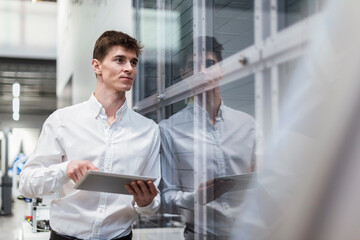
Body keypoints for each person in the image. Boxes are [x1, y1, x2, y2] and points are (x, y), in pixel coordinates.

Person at [19, 30, 160, 240]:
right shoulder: (62, 121)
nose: (129, 68)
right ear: (97, 66)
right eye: (120, 60)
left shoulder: (148, 130)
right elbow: (27, 184)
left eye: (133, 62)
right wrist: (64, 170)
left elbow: (152, 206)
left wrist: (146, 202)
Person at [159, 36, 256, 240]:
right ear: (184, 74)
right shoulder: (169, 130)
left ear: (222, 70)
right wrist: (196, 199)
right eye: (193, 66)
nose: (201, 71)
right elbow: (166, 196)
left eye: (210, 64)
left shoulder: (247, 125)